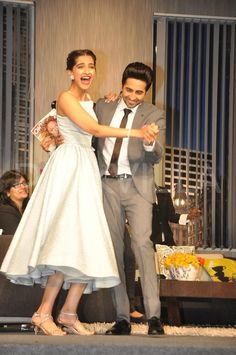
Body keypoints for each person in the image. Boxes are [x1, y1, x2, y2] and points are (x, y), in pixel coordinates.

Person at [0, 49, 157, 337]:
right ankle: (42, 313)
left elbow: (98, 118)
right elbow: (93, 128)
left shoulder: (89, 100)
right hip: (69, 169)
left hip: (86, 169)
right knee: (66, 242)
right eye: (81, 66)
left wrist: (113, 99)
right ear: (70, 71)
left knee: (89, 243)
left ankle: (69, 312)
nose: (87, 70)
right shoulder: (66, 98)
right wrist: (138, 132)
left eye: (91, 66)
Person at [94, 62, 166, 336]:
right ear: (121, 85)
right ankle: (122, 318)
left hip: (138, 187)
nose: (133, 97)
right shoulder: (104, 106)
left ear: (146, 91)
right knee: (114, 251)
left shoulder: (154, 114)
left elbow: (156, 155)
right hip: (107, 186)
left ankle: (154, 317)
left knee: (141, 246)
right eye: (128, 90)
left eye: (139, 92)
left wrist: (149, 141)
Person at [0, 170, 29, 235]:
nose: (23, 187)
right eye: (17, 185)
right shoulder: (5, 211)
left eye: (24, 183)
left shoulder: (28, 208)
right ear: (7, 192)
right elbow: (17, 238)